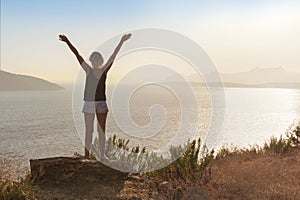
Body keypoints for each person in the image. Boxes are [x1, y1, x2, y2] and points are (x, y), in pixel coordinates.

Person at [59, 33, 132, 160]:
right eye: (95, 60)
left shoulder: (97, 71)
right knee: (93, 131)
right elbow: (78, 55)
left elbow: (113, 55)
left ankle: (97, 156)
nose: (96, 62)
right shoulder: (92, 70)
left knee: (98, 131)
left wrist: (122, 41)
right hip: (94, 103)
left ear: (97, 61)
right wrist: (67, 42)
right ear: (94, 61)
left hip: (96, 103)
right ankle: (91, 156)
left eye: (97, 60)